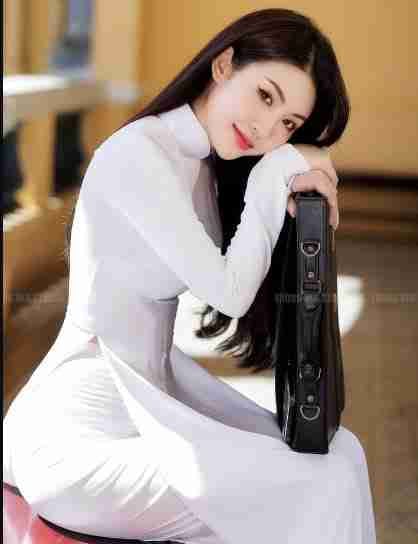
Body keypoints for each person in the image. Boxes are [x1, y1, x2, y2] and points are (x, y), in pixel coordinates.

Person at [3, 8, 377, 543]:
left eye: (289, 125)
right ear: (223, 65)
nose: (266, 130)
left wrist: (289, 169)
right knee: (318, 483)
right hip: (76, 437)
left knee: (343, 455)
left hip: (147, 409)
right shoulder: (138, 154)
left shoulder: (204, 165)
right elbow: (229, 292)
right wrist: (282, 166)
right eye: (264, 96)